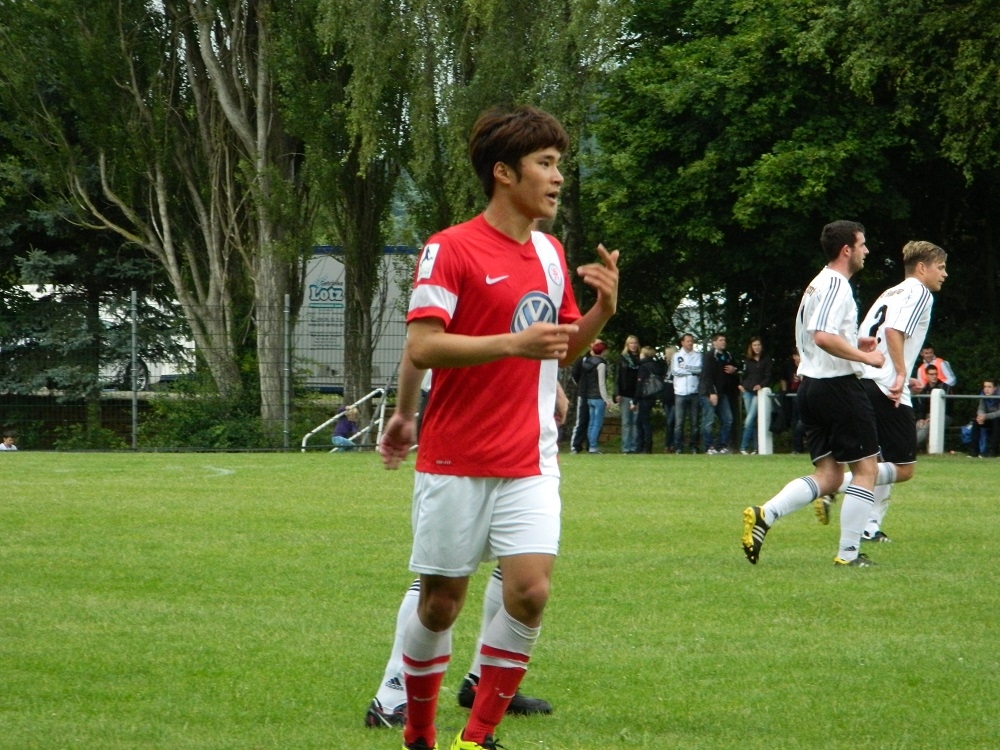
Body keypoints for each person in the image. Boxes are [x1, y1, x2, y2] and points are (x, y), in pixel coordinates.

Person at [377, 104, 619, 750]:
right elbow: (424, 346)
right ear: (504, 173)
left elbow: (560, 350)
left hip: (530, 458)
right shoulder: (449, 248)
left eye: (559, 164)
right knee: (439, 605)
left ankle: (475, 738)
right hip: (455, 457)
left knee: (531, 592)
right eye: (546, 163)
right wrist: (512, 344)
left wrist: (600, 311)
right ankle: (418, 734)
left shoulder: (550, 253)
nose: (558, 177)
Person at [367, 382, 573, 730]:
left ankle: (481, 681)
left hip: (521, 412)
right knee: (441, 579)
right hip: (460, 405)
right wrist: (404, 413)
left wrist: (550, 384)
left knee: (520, 562)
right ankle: (394, 690)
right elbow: (421, 352)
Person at [741, 220, 888, 567]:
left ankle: (765, 513)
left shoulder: (817, 283)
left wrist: (854, 342)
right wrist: (865, 356)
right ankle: (849, 554)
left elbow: (818, 335)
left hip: (810, 386)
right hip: (838, 387)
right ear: (847, 250)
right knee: (867, 469)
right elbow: (822, 336)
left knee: (830, 476)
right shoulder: (837, 285)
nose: (867, 251)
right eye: (862, 245)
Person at [818, 240, 949, 544]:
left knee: (878, 459)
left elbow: (869, 334)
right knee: (903, 468)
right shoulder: (920, 292)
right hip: (887, 387)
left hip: (866, 380)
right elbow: (893, 331)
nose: (944, 274)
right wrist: (900, 373)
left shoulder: (890, 292)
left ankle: (869, 526)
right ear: (922, 268)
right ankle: (834, 486)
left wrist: (899, 371)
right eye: (941, 267)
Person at [699, 333, 737, 454]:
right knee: (709, 421)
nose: (723, 342)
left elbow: (737, 367)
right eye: (720, 340)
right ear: (714, 342)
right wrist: (712, 392)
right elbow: (707, 375)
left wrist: (734, 369)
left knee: (728, 419)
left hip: (722, 393)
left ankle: (721, 446)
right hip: (708, 393)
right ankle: (709, 447)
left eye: (724, 340)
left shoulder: (728, 355)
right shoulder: (709, 356)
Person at [738, 337, 772, 454]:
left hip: (759, 393)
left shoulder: (766, 360)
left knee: (749, 419)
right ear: (751, 347)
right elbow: (744, 374)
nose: (757, 347)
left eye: (758, 345)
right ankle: (756, 447)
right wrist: (741, 385)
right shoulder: (747, 360)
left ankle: (743, 446)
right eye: (754, 345)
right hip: (747, 391)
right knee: (752, 420)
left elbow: (768, 376)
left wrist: (760, 385)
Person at [579, 340, 612, 453]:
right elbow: (601, 383)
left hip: (589, 396)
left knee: (591, 423)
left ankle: (590, 445)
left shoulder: (587, 362)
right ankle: (593, 446)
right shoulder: (601, 364)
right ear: (603, 351)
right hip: (598, 396)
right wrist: (606, 399)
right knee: (597, 423)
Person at [671, 333, 701, 454]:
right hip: (680, 393)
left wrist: (686, 368)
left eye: (691, 341)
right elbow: (675, 371)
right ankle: (678, 447)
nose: (690, 343)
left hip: (694, 392)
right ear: (682, 342)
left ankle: (694, 447)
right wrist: (691, 371)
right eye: (688, 341)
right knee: (679, 423)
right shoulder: (677, 356)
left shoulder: (697, 355)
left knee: (695, 422)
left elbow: (700, 369)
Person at [633, 345, 665, 454]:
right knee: (641, 421)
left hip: (644, 397)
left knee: (643, 423)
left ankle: (645, 447)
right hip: (653, 395)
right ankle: (643, 446)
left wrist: (634, 401)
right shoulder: (656, 365)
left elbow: (640, 384)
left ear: (644, 354)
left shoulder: (643, 367)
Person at [614, 335, 641, 453]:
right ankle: (626, 447)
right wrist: (617, 393)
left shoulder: (640, 358)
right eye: (631, 343)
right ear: (627, 345)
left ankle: (634, 447)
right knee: (626, 422)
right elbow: (617, 377)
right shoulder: (622, 358)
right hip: (625, 393)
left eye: (635, 343)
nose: (633, 345)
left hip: (637, 394)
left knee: (635, 422)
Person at [914, 364, 948, 448]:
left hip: (943, 415)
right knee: (918, 424)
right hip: (927, 416)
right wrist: (921, 418)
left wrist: (933, 417)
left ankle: (910, 447)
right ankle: (907, 446)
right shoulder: (924, 389)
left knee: (927, 426)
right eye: (932, 374)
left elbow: (948, 407)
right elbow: (921, 407)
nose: (934, 376)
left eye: (936, 374)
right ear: (927, 376)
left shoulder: (945, 387)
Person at [780, 352, 806, 453]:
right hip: (792, 397)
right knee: (794, 422)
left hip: (803, 397)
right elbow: (783, 379)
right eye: (797, 355)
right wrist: (784, 391)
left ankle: (799, 447)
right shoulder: (788, 366)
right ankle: (797, 448)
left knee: (801, 422)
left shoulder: (806, 366)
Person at [968, 379, 1000, 458]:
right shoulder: (982, 394)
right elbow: (981, 408)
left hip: (997, 419)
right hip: (988, 418)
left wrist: (986, 416)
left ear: (995, 388)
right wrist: (980, 416)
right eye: (985, 387)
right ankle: (974, 451)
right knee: (976, 421)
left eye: (989, 387)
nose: (986, 389)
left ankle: (993, 451)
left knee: (996, 421)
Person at [569, 355, 591, 453]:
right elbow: (575, 374)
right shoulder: (582, 359)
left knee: (592, 421)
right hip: (583, 394)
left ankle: (591, 445)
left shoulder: (600, 359)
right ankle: (575, 445)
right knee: (581, 420)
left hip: (594, 395)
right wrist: (581, 385)